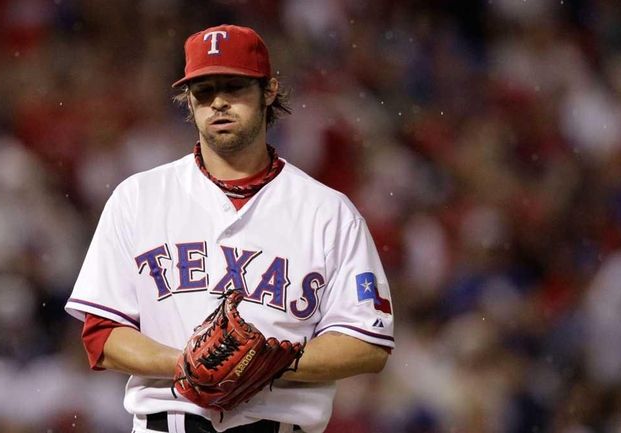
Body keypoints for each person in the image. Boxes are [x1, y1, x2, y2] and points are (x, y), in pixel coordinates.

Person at [65, 24, 395, 433]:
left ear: (269, 90)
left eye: (234, 87)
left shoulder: (328, 212)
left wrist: (267, 364)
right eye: (203, 90)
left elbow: (367, 343)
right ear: (188, 100)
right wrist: (187, 365)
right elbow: (101, 335)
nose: (218, 102)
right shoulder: (138, 198)